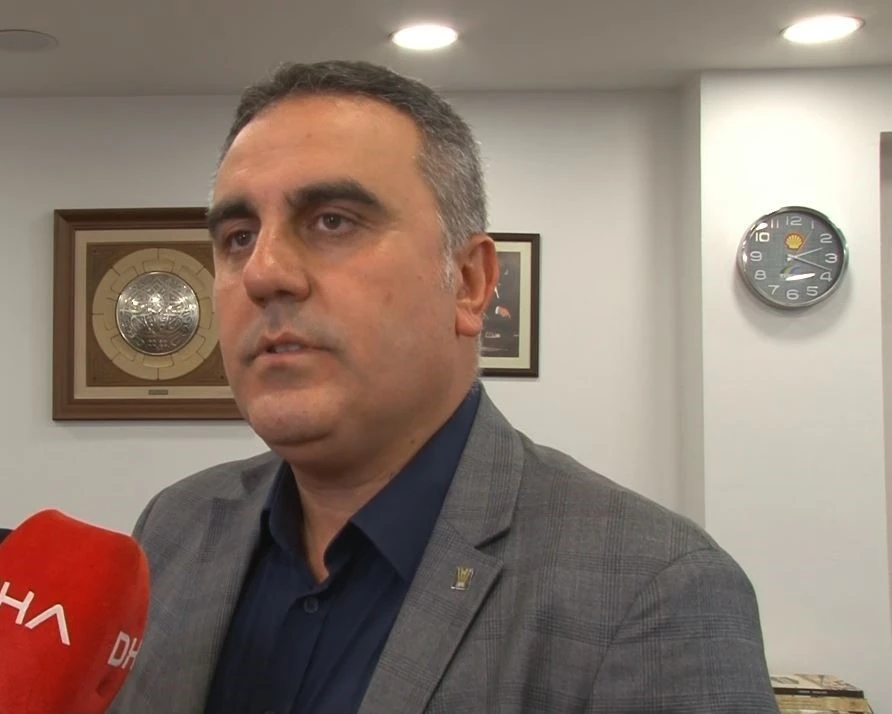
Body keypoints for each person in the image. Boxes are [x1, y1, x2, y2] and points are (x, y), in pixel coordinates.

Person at [107, 60, 777, 713]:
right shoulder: (175, 526)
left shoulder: (653, 590)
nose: (263, 273)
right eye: (238, 237)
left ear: (470, 282)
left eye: (333, 220)